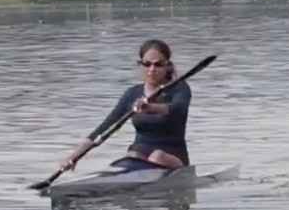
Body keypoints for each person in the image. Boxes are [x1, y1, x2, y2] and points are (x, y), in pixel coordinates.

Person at [61, 39, 192, 171]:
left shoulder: (179, 89)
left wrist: (151, 107)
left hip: (172, 155)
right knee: (131, 157)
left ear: (167, 66)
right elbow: (106, 126)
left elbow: (178, 108)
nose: (152, 70)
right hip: (139, 152)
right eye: (147, 64)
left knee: (156, 157)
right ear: (139, 65)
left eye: (158, 64)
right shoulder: (132, 94)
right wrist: (75, 154)